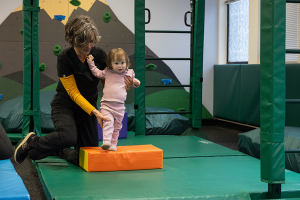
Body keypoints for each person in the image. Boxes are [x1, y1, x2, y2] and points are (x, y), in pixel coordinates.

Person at [14, 15, 133, 165]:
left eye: (91, 41)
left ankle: (57, 150)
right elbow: (73, 93)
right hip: (65, 105)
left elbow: (108, 82)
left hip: (87, 107)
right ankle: (32, 142)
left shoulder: (99, 55)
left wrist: (122, 86)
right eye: (84, 42)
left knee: (85, 156)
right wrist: (96, 113)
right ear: (74, 40)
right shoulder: (65, 58)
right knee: (68, 137)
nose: (89, 46)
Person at [87, 48, 140, 151]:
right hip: (107, 104)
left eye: (122, 62)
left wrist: (136, 83)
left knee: (117, 126)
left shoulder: (129, 72)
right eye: (116, 63)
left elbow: (132, 82)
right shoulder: (107, 72)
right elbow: (97, 73)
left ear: (126, 62)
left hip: (120, 106)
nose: (120, 66)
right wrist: (91, 63)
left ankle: (113, 145)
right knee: (108, 122)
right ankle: (106, 141)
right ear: (110, 64)